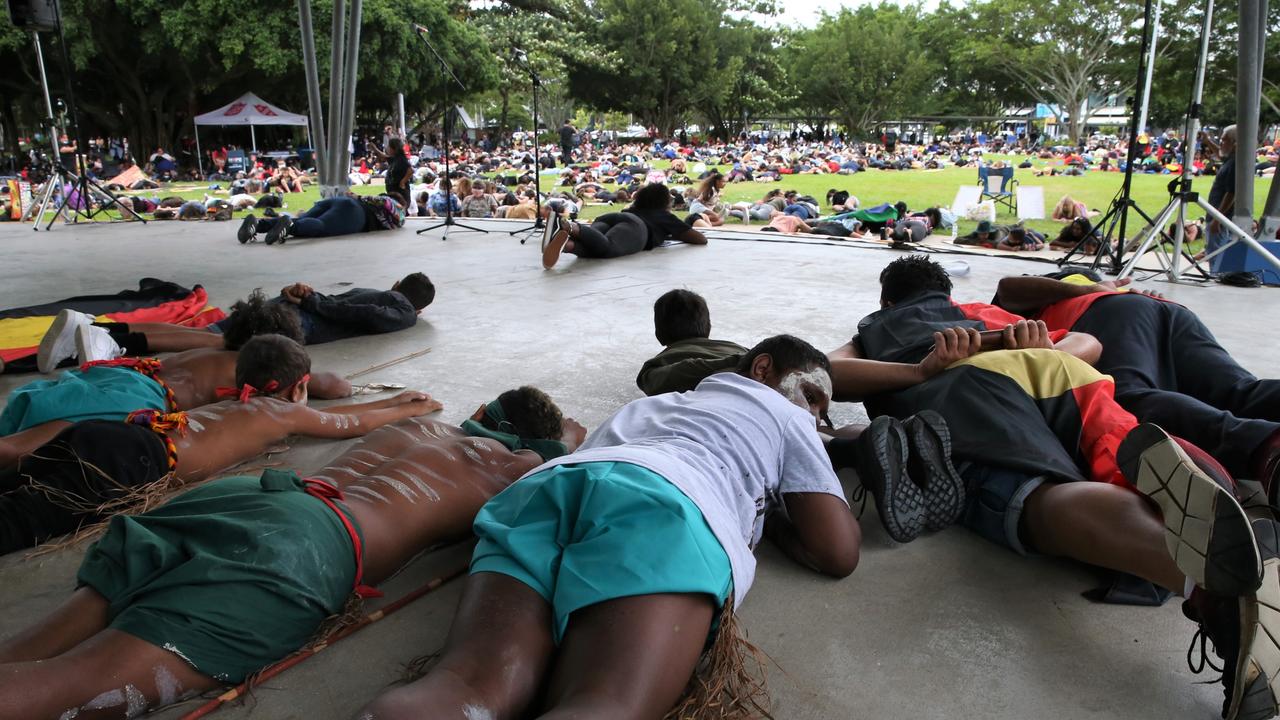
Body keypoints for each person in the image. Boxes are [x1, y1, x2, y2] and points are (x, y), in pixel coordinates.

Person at [837, 255, 1280, 717]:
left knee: (1030, 495)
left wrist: (917, 372)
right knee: (1120, 449)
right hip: (1067, 376)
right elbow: (1090, 342)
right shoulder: (987, 313)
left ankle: (1215, 590)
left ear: (886, 299)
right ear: (948, 294)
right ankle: (1213, 498)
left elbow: (827, 375)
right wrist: (1048, 349)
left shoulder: (879, 327)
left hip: (968, 386)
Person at [358, 335, 862, 720]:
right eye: (814, 398)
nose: (818, 415)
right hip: (667, 508)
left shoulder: (653, 405)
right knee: (604, 704)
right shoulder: (784, 414)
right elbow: (837, 550)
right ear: (762, 368)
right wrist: (770, 514)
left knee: (467, 687)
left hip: (551, 490)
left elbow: (597, 466)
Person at [0, 387, 583, 719]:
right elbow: (571, 443)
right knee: (76, 684)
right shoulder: (516, 464)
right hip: (308, 544)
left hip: (251, 496)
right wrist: (551, 439)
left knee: (40, 648)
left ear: (479, 414)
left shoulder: (421, 431)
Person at [0, 334, 445, 554]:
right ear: (297, 388)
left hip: (116, 432)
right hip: (134, 460)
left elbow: (331, 416)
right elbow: (346, 421)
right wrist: (407, 409)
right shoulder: (282, 412)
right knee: (19, 520)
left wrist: (393, 400)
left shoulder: (242, 405)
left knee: (19, 476)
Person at [993, 270, 1280, 499]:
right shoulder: (1105, 291)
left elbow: (1007, 287)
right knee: (1237, 391)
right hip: (1168, 312)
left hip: (1115, 311)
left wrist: (1086, 291)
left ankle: (1266, 447)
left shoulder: (1063, 292)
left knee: (1122, 399)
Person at [0, 335, 352, 469]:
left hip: (125, 375)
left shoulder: (210, 348)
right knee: (32, 448)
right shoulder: (262, 370)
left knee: (36, 436)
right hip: (136, 399)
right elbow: (337, 386)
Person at [541, 183, 706, 269]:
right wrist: (673, 231)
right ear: (663, 202)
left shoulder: (634, 207)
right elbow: (700, 239)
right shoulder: (665, 216)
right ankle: (568, 226)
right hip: (637, 227)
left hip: (612, 217)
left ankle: (566, 244)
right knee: (608, 248)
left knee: (593, 248)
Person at [635, 289, 748, 395]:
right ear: (708, 326)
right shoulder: (740, 350)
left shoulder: (657, 367)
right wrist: (738, 361)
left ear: (659, 333)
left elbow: (677, 374)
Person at [236, 194, 404, 245]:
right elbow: (398, 217)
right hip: (355, 212)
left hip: (339, 201)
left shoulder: (378, 198)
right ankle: (291, 226)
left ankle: (258, 224)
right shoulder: (395, 206)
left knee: (304, 219)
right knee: (322, 226)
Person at [384, 137, 412, 207]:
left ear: (393, 148)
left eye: (389, 147)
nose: (388, 148)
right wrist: (374, 149)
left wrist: (403, 182)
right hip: (393, 191)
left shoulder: (401, 158)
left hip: (400, 193)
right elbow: (384, 156)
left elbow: (410, 170)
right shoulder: (394, 158)